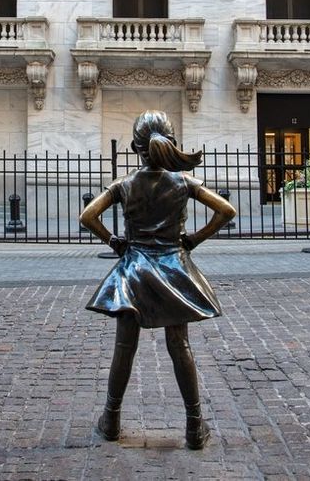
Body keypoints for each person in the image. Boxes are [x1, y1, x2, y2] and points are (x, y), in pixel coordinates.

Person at [80, 110, 236, 450]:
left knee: (124, 348)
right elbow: (226, 210)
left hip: (133, 270)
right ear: (171, 143)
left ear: (136, 148)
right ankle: (194, 426)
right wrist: (195, 238)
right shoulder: (183, 183)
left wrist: (112, 241)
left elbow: (88, 216)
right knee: (180, 346)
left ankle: (111, 420)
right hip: (173, 268)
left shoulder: (124, 185)